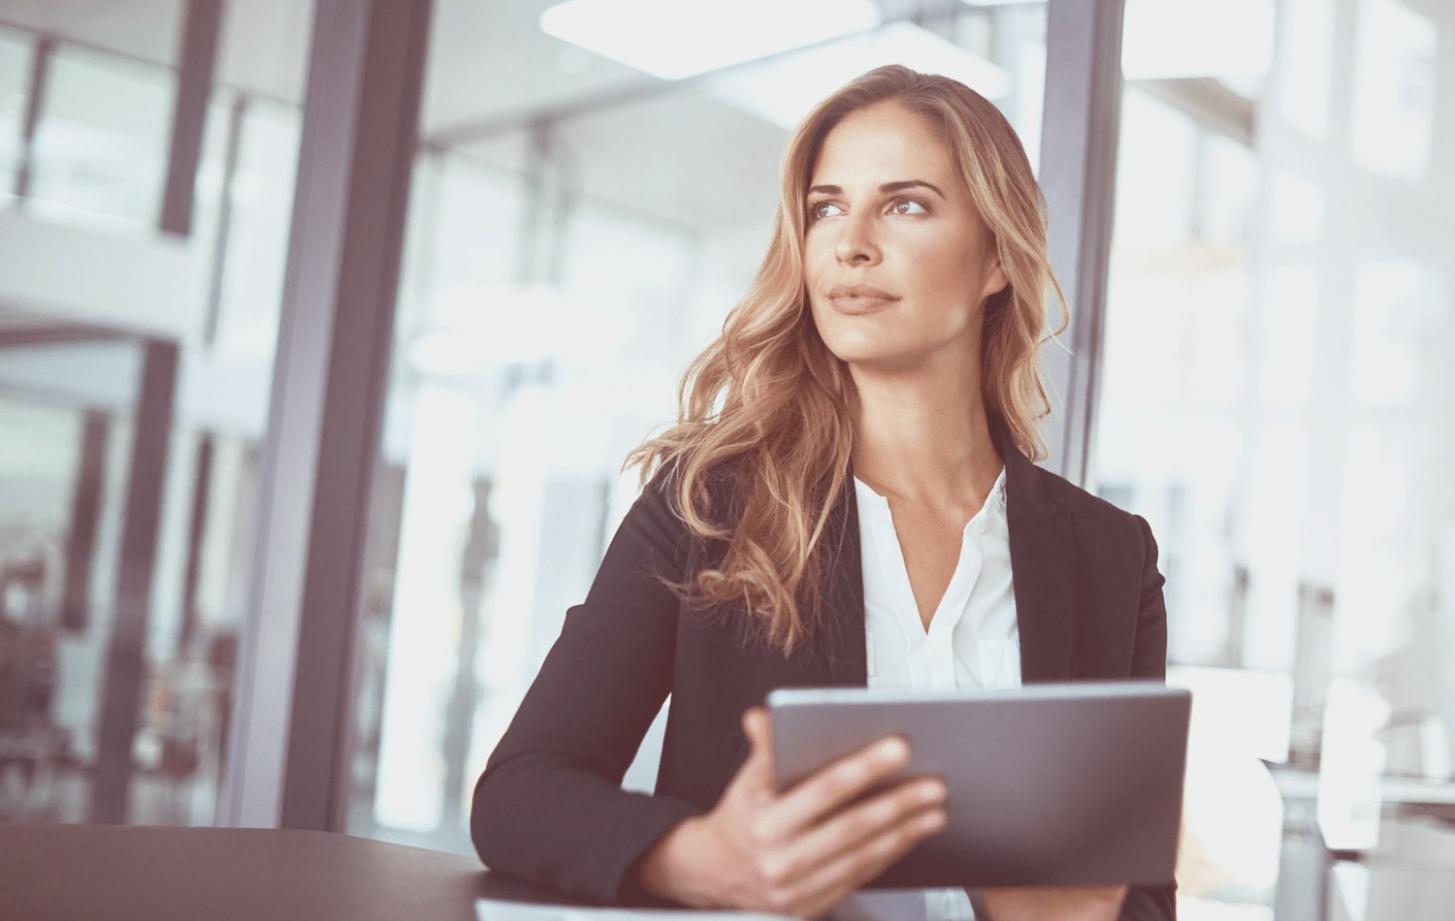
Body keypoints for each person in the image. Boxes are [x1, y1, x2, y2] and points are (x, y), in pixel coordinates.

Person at [470, 64, 1174, 921]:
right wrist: (705, 860)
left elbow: (1142, 895)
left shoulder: (1108, 555)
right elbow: (519, 791)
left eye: (906, 204)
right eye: (826, 207)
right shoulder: (710, 505)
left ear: (996, 257)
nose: (851, 243)